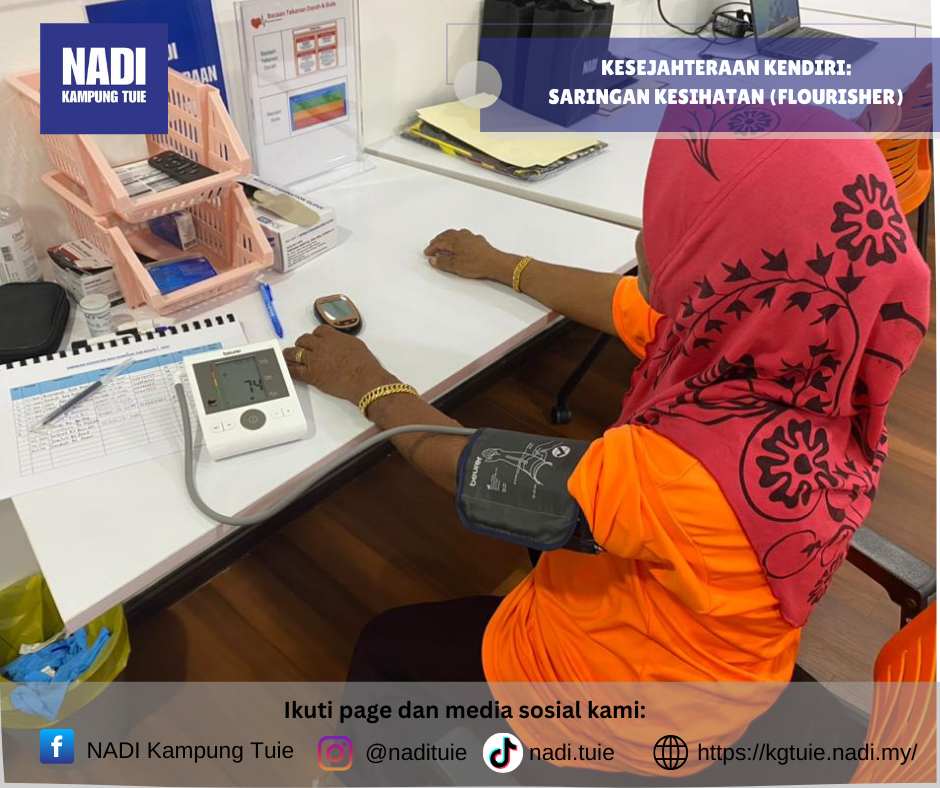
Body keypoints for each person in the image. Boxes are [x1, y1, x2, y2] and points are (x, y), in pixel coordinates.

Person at [284, 103, 929, 778]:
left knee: (386, 643)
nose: (646, 238)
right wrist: (504, 264)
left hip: (631, 714)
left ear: (723, 267)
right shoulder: (807, 352)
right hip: (725, 664)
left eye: (671, 221)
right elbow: (627, 305)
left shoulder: (679, 469)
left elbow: (477, 470)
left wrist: (368, 383)